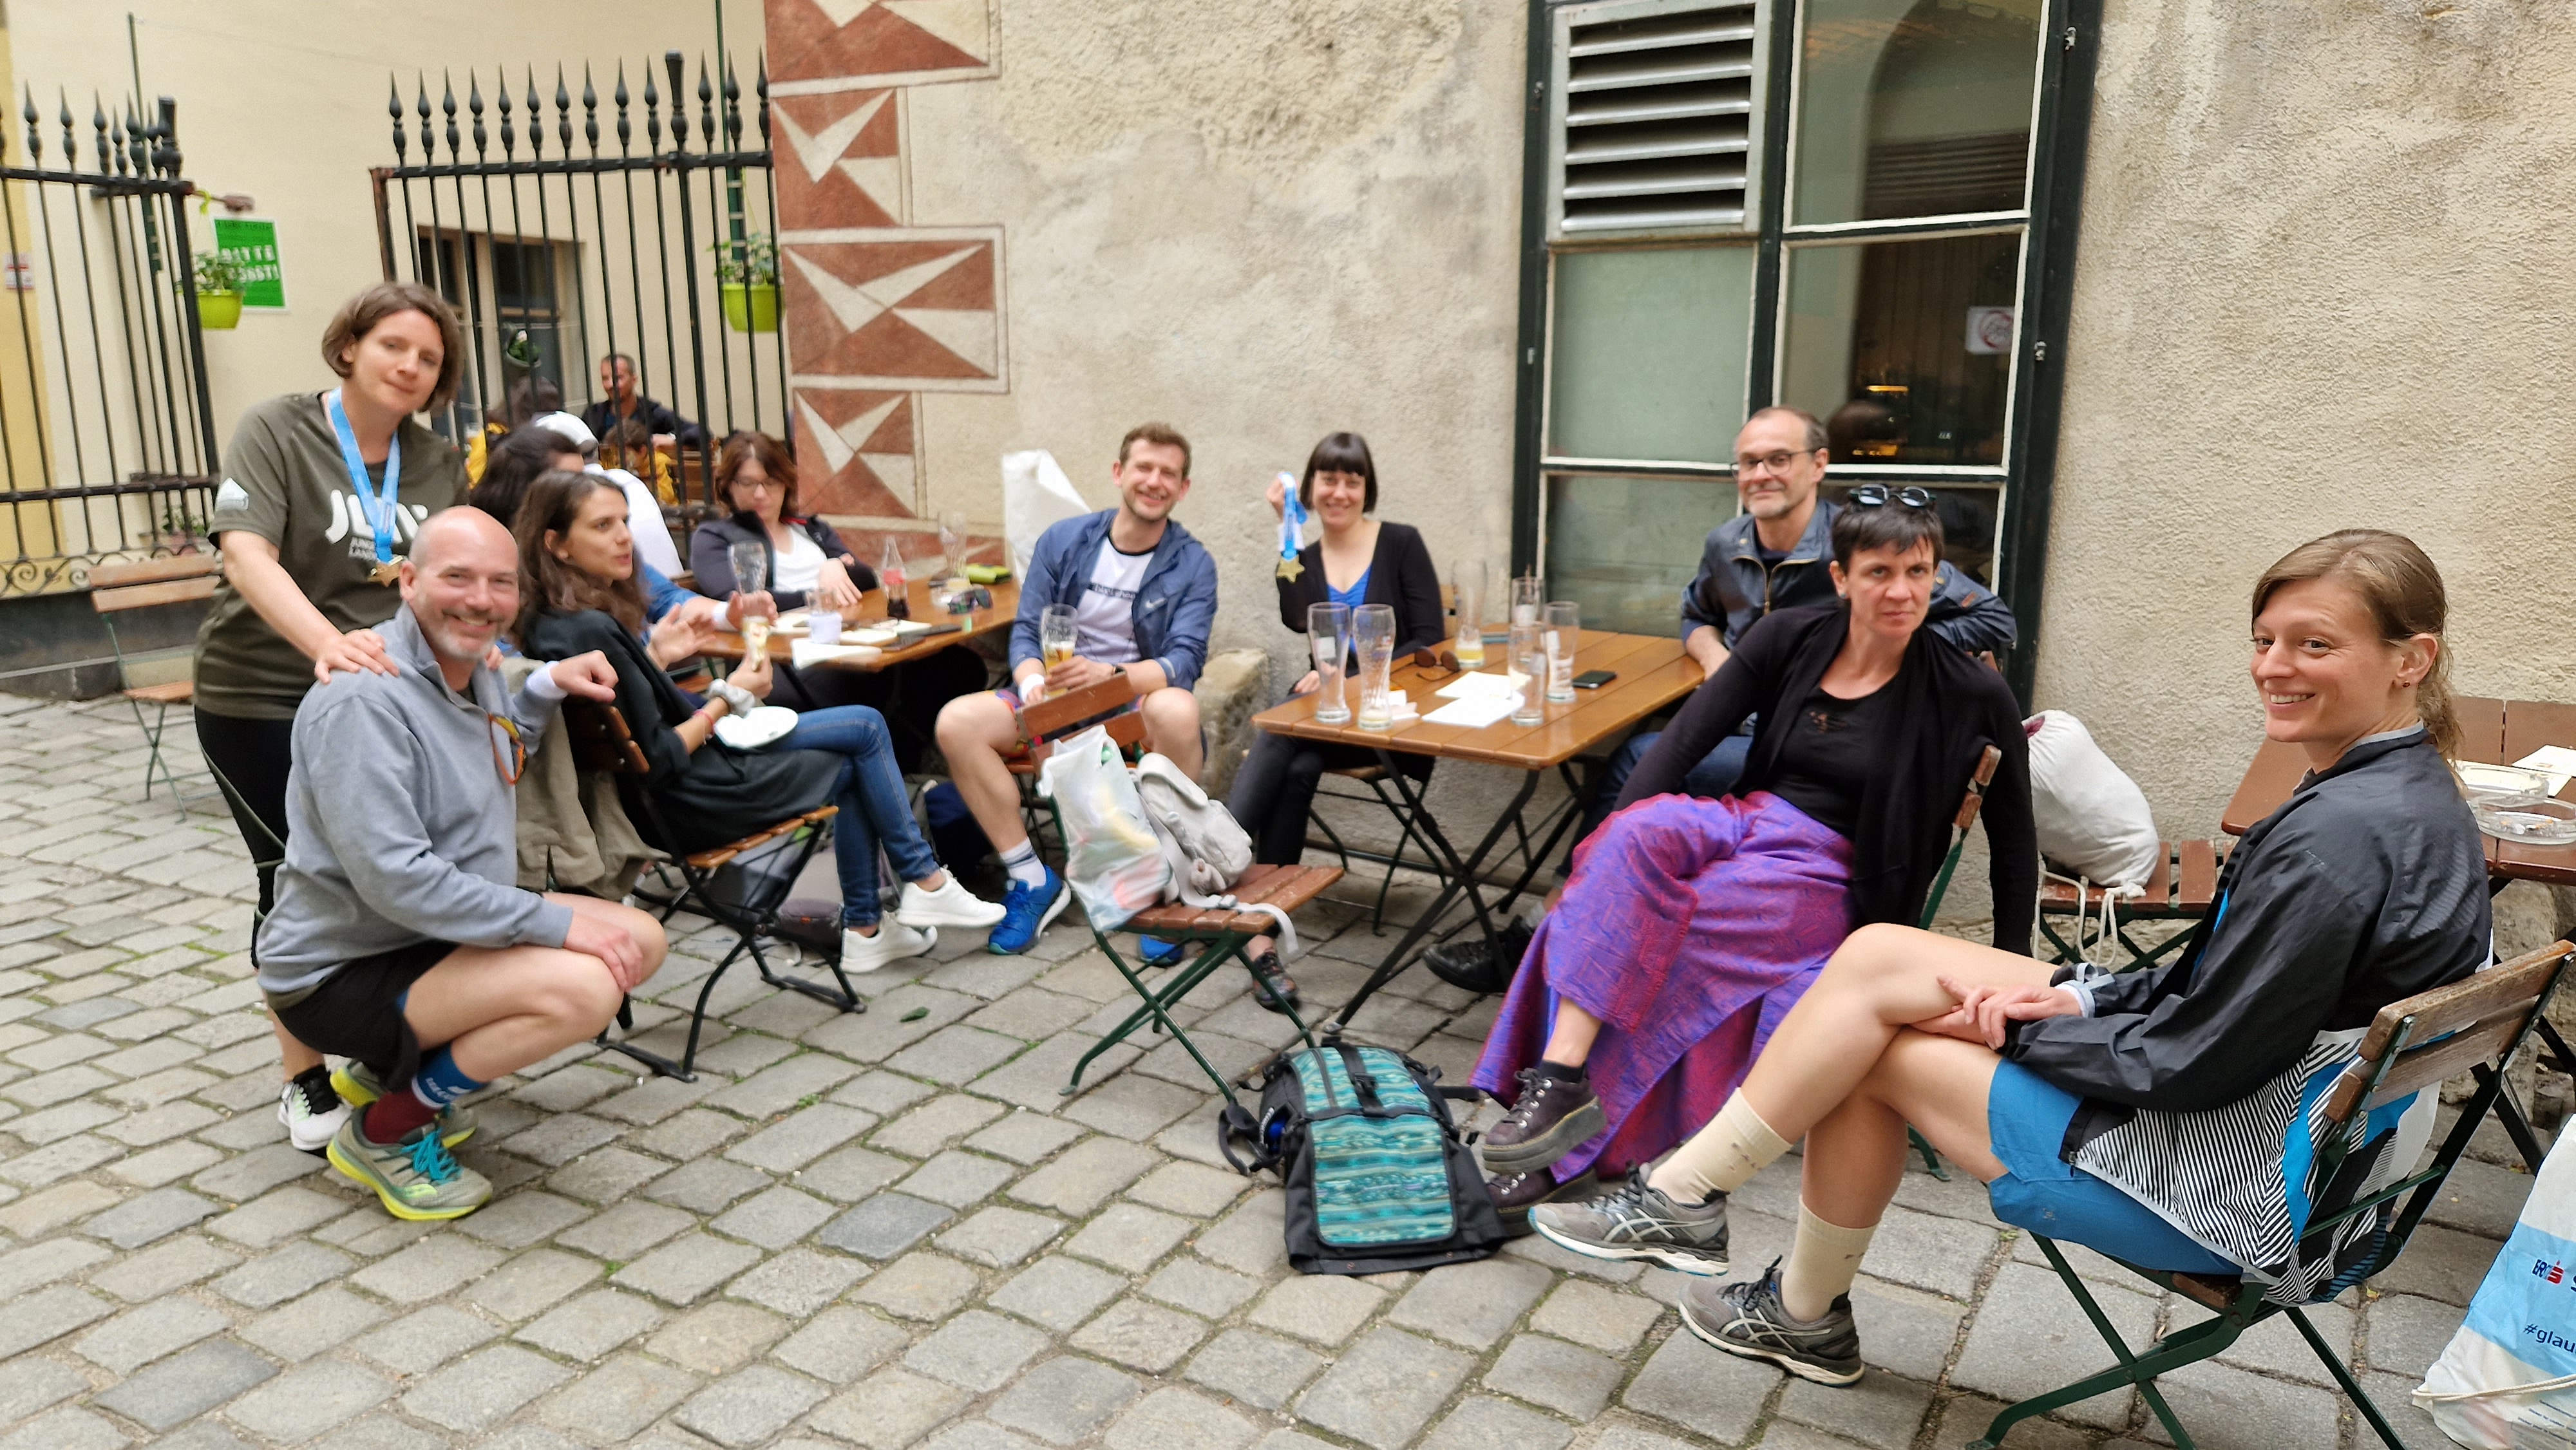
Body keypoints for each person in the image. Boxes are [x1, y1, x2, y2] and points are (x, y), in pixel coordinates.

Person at [1528, 529, 2488, 1389]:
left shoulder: (2335, 842)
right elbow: (2225, 989)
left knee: (1869, 1050)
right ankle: (1682, 1197)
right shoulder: (2405, 790)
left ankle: (1787, 1300)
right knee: (1878, 959)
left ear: (2412, 659)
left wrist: (2017, 1038)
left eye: (2314, 645)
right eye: (2265, 639)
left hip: (2236, 1187)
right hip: (2308, 1145)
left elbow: (2196, 1058)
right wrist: (2082, 997)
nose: (2273, 667)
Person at [1468, 496, 2036, 1230]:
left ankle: (1554, 1160)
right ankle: (1561, 1078)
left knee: (1670, 938)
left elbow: (2014, 841)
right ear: (1841, 577)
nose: (1901, 591)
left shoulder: (1970, 690)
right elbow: (1683, 743)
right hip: (1745, 823)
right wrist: (1598, 859)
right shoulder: (1789, 636)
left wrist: (2014, 983)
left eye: (1918, 571)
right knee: (1626, 846)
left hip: (1828, 877)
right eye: (1880, 572)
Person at [1425, 405, 2020, 988]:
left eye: (1779, 459)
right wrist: (1720, 660)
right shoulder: (1726, 543)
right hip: (1744, 727)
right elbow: (1696, 614)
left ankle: (1551, 924)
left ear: (1818, 465)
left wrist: (1892, 644)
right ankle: (1568, 916)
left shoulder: (1870, 543)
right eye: (1749, 462)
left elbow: (1994, 619)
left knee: (1637, 761)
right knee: (1649, 774)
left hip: (1814, 750)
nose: (1762, 474)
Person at [255, 507, 655, 1220]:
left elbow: (499, 746)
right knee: (585, 988)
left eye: (501, 582)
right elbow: (398, 879)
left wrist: (545, 685)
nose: (481, 599)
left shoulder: (477, 666)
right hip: (341, 969)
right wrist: (556, 924)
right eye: (458, 577)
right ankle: (386, 1130)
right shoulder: (363, 699)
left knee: (640, 939)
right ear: (409, 581)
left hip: (425, 935)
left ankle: (390, 1073)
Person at [513, 470, 1003, 970]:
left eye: (624, 521)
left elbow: (630, 721)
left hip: (662, 795)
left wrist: (656, 657)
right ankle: (905, 897)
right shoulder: (592, 627)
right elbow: (659, 758)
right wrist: (730, 696)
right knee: (862, 738)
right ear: (558, 545)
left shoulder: (549, 622)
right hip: (693, 800)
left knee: (863, 727)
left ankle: (883, 917)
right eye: (602, 526)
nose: (624, 537)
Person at [191, 281, 471, 1154]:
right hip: (263, 694)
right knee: (292, 876)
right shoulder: (278, 428)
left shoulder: (438, 462)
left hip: (382, 709)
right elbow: (246, 555)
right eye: (393, 345)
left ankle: (384, 1054)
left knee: (390, 874)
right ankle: (302, 1075)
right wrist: (328, 644)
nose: (410, 366)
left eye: (428, 358)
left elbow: (448, 581)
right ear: (349, 346)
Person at [934, 422, 1219, 955]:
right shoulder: (1064, 540)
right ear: (1119, 473)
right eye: (1144, 467)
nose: (1154, 481)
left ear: (1183, 489)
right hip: (1055, 698)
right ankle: (1030, 878)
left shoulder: (1193, 564)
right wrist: (1033, 683)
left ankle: (1166, 882)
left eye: (1168, 474)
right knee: (956, 722)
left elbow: (1184, 660)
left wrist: (1111, 677)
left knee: (1180, 709)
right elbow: (1026, 630)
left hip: (1128, 705)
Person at [1224, 432, 1442, 1008]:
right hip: (1328, 720)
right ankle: (1260, 941)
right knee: (1296, 766)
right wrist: (1287, 531)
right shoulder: (1308, 553)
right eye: (1328, 480)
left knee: (1278, 730)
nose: (1339, 492)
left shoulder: (1401, 543)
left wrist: (1349, 680)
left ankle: (1216, 860)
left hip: (1391, 723)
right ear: (1311, 488)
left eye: (1351, 481)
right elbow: (1298, 616)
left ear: (1367, 489)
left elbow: (1430, 642)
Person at [688, 432, 989, 767]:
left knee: (960, 666)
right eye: (747, 483)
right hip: (787, 660)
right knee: (872, 678)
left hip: (849, 639)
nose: (760, 493)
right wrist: (821, 593)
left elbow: (865, 579)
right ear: (728, 486)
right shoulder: (715, 537)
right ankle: (893, 766)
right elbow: (739, 601)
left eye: (770, 482)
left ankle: (908, 758)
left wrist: (834, 566)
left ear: (786, 483)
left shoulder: (810, 528)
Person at [582, 352, 701, 449]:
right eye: (605, 379)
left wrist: (672, 439)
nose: (610, 385)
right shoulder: (594, 414)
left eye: (618, 378)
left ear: (634, 379)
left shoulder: (652, 412)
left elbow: (700, 431)